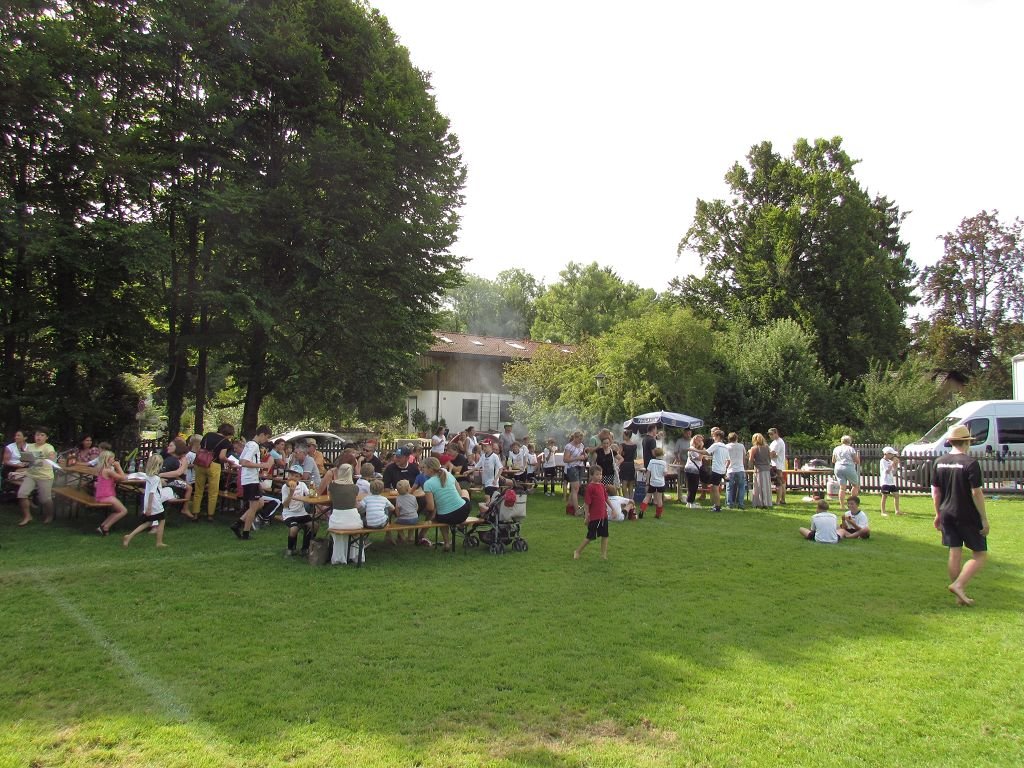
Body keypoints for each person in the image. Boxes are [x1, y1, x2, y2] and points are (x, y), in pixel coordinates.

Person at [932, 424, 989, 606]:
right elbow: (976, 493)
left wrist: (937, 514)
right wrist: (984, 518)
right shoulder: (970, 463)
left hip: (946, 512)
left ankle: (959, 596)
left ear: (950, 441)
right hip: (966, 514)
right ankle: (958, 585)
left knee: (954, 552)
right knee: (980, 555)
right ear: (967, 442)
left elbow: (936, 492)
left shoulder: (939, 461)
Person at [421, 455, 472, 551]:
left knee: (441, 515)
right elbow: (460, 492)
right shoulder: (448, 474)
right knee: (465, 491)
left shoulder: (428, 484)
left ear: (430, 469)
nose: (422, 470)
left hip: (446, 516)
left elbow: (431, 507)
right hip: (463, 512)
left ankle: (447, 543)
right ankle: (460, 525)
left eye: (424, 467)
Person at [232, 425, 274, 540]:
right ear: (262, 434)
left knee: (260, 503)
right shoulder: (254, 446)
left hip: (251, 479)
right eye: (267, 437)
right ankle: (245, 532)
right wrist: (261, 465)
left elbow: (240, 460)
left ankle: (238, 524)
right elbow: (244, 462)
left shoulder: (249, 444)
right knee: (253, 506)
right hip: (250, 479)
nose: (266, 440)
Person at [190, 423, 234, 521]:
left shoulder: (208, 435)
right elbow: (222, 457)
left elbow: (200, 449)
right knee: (213, 492)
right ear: (229, 433)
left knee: (198, 490)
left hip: (200, 463)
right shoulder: (226, 442)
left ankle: (195, 514)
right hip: (214, 465)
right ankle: (210, 515)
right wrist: (229, 461)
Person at [123, 454, 169, 548]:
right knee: (161, 520)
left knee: (148, 522)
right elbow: (152, 493)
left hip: (149, 502)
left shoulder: (148, 476)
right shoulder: (155, 478)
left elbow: (139, 475)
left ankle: (129, 536)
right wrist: (149, 507)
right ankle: (159, 542)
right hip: (154, 503)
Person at [17, 427, 57, 526]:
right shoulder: (30, 446)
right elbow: (25, 458)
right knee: (22, 494)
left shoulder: (48, 447)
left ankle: (50, 515)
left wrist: (49, 457)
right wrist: (24, 461)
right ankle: (27, 516)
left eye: (42, 435)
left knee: (45, 499)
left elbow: (52, 456)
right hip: (31, 475)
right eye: (37, 435)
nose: (39, 437)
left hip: (45, 476)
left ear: (46, 437)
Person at [573, 466, 612, 560]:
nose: (599, 476)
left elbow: (606, 498)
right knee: (590, 536)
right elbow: (587, 503)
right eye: (597, 474)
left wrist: (613, 509)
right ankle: (577, 551)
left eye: (601, 474)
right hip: (595, 517)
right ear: (591, 475)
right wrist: (587, 516)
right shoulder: (590, 487)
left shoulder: (602, 486)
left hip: (603, 516)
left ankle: (603, 555)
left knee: (605, 535)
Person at [328, 463, 363, 565]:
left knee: (338, 528)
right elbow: (355, 503)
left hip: (337, 520)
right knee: (356, 525)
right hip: (354, 521)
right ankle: (354, 554)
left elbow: (331, 499)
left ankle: (339, 556)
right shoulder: (354, 487)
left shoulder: (332, 485)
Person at [94, 450, 129, 535]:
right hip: (107, 496)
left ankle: (102, 526)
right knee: (123, 511)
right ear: (107, 459)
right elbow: (123, 478)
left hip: (101, 496)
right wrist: (118, 466)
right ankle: (106, 527)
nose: (114, 460)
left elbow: (117, 478)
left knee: (117, 511)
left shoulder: (103, 469)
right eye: (112, 459)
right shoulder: (108, 471)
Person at [281, 465, 313, 556]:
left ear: (300, 478)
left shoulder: (302, 485)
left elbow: (309, 495)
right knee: (294, 529)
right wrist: (291, 493)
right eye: (291, 475)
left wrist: (312, 492)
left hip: (301, 512)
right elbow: (285, 505)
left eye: (296, 476)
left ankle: (305, 548)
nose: (293, 478)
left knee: (314, 525)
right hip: (289, 514)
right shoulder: (285, 487)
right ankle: (290, 549)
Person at [562, 431, 587, 516]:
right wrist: (578, 458)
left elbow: (583, 454)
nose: (580, 440)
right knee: (576, 488)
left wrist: (585, 456)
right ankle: (577, 510)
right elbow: (565, 459)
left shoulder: (582, 445)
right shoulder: (569, 446)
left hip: (580, 467)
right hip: (572, 468)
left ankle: (569, 507)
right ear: (575, 438)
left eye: (581, 439)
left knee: (575, 488)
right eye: (579, 439)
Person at [831, 435, 861, 505]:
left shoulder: (836, 449)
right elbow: (857, 461)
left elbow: (833, 460)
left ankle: (842, 505)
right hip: (848, 467)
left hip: (838, 468)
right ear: (850, 441)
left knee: (842, 488)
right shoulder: (850, 449)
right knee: (855, 485)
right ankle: (853, 503)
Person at [706, 429, 730, 512]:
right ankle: (715, 505)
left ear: (718, 436)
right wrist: (724, 468)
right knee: (713, 487)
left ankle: (717, 507)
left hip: (716, 470)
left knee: (715, 488)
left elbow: (706, 452)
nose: (713, 438)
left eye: (714, 436)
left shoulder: (716, 445)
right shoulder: (725, 446)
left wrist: (693, 450)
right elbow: (729, 460)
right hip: (722, 470)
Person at [682, 435, 708, 509]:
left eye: (701, 441)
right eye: (699, 441)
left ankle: (689, 502)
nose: (701, 442)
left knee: (692, 487)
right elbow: (699, 458)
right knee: (693, 487)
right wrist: (703, 450)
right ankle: (691, 502)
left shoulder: (694, 449)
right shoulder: (692, 448)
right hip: (692, 470)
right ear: (695, 440)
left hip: (692, 469)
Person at [748, 433, 773, 509]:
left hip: (759, 469)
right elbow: (769, 458)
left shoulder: (754, 448)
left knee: (759, 486)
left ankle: (759, 503)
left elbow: (751, 460)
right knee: (766, 487)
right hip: (766, 469)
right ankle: (766, 502)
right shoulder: (767, 447)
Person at [642, 446, 668, 518]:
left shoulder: (652, 461)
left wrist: (647, 481)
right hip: (660, 483)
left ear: (655, 454)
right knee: (659, 498)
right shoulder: (663, 463)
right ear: (662, 454)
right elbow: (665, 473)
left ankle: (642, 510)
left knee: (647, 497)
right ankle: (658, 514)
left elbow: (648, 472)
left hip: (652, 482)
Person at [393, 479, 421, 543]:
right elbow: (417, 507)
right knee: (412, 524)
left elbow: (397, 511)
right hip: (414, 518)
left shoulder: (398, 498)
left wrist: (398, 516)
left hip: (403, 519)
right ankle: (410, 536)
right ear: (408, 489)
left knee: (395, 522)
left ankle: (402, 536)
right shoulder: (413, 497)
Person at [725, 432, 747, 509]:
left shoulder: (726, 446)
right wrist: (742, 465)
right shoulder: (741, 446)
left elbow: (725, 458)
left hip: (730, 469)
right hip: (740, 469)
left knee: (729, 488)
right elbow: (744, 457)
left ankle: (730, 504)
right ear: (737, 438)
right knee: (741, 487)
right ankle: (740, 504)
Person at [879, 446, 902, 516]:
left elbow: (893, 471)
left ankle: (897, 511)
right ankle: (883, 511)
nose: (892, 456)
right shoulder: (882, 461)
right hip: (885, 482)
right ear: (887, 454)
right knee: (885, 496)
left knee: (896, 495)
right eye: (891, 454)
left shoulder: (889, 461)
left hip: (891, 482)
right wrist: (892, 463)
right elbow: (887, 471)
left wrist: (896, 464)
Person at [768, 427, 787, 505]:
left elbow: (773, 455)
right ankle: (782, 500)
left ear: (776, 433)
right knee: (781, 482)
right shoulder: (774, 442)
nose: (770, 436)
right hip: (776, 464)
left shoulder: (778, 442)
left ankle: (778, 501)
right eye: (769, 434)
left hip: (777, 465)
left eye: (772, 434)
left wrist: (766, 455)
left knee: (779, 483)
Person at [617, 430, 638, 500]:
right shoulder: (634, 445)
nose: (622, 436)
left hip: (624, 464)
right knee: (631, 483)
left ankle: (626, 499)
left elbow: (619, 455)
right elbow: (635, 456)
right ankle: (631, 499)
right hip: (631, 464)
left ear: (627, 436)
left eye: (623, 435)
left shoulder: (622, 445)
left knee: (624, 483)